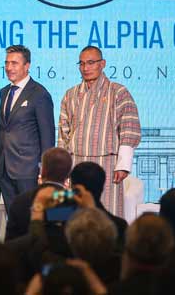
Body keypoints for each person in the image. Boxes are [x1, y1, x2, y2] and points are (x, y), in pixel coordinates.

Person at [57, 45, 141, 217]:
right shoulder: (70, 94)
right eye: (81, 64)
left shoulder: (118, 92)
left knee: (106, 213)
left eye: (90, 63)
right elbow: (63, 134)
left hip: (107, 164)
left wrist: (123, 165)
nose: (85, 68)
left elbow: (130, 128)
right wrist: (62, 169)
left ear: (102, 64)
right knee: (72, 214)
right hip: (75, 163)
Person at [0, 44, 55, 211]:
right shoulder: (4, 92)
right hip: (4, 169)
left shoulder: (39, 94)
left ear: (27, 66)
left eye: (14, 63)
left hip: (28, 172)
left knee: (32, 220)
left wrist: (45, 171)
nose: (9, 67)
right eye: (6, 63)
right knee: (14, 220)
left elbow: (47, 136)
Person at [5, 147, 72, 240]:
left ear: (42, 171)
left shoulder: (20, 201)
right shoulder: (73, 203)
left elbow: (9, 244)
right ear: (68, 175)